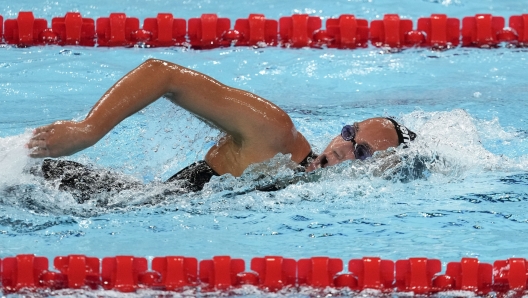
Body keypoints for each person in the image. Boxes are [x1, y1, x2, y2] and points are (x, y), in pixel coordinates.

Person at [26, 59, 416, 196]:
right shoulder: (276, 136)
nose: (345, 148)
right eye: (350, 134)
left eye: (362, 153)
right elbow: (161, 74)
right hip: (72, 191)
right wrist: (87, 130)